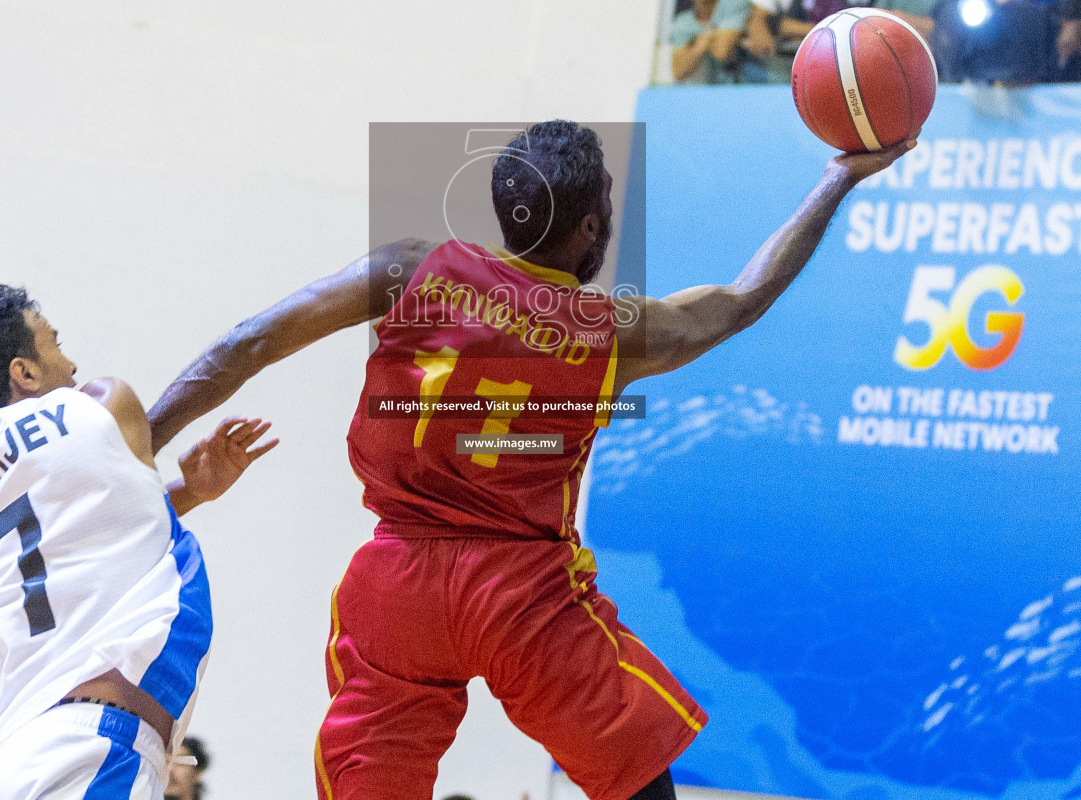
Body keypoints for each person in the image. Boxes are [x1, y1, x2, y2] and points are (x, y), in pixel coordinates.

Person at [145, 119, 913, 800]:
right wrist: (836, 178)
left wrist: (134, 444)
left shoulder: (411, 268)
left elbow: (244, 344)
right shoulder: (612, 330)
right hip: (521, 594)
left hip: (397, 582)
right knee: (636, 776)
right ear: (590, 225)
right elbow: (743, 299)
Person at [0, 174, 277, 800]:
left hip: (17, 754)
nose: (71, 364)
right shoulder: (98, 403)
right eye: (56, 345)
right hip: (88, 750)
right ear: (24, 371)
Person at [669, 0, 750, 84]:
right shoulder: (681, 23)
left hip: (746, 87)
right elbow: (678, 71)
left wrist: (696, 44)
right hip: (706, 94)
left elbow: (721, 51)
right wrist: (707, 40)